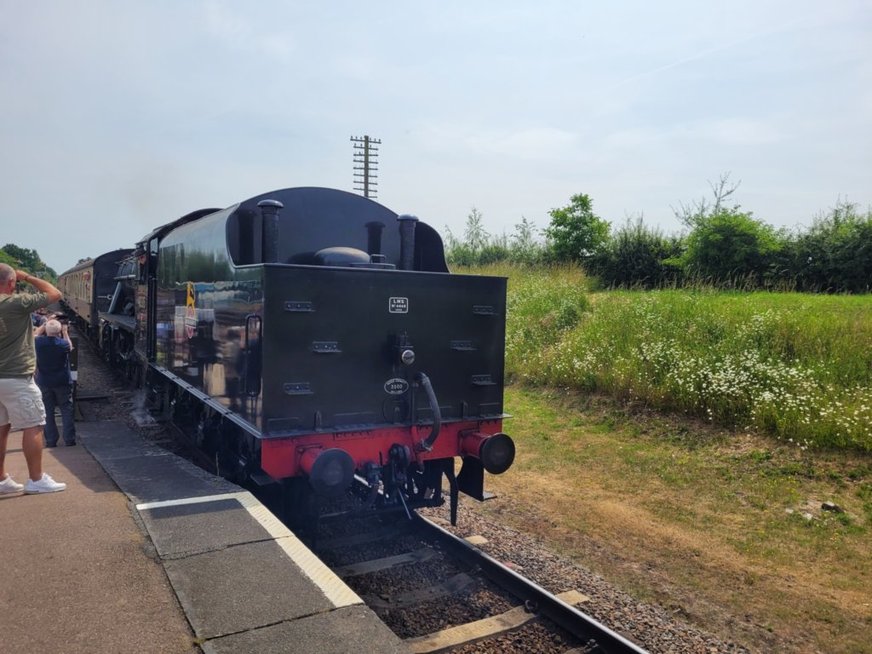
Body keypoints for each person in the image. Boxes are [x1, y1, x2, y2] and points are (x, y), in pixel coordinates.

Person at [0, 264, 67, 495]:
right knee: (34, 424)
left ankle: (1, 481)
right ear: (11, 283)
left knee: (1, 428)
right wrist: (26, 276)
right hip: (16, 376)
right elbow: (55, 293)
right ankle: (36, 480)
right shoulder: (16, 303)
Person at [35, 318, 76, 447]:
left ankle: (51, 441)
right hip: (62, 381)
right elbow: (70, 346)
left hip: (44, 381)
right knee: (66, 408)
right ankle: (69, 439)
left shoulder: (38, 342)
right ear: (59, 331)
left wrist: (44, 325)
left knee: (47, 410)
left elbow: (34, 334)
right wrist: (65, 332)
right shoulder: (62, 344)